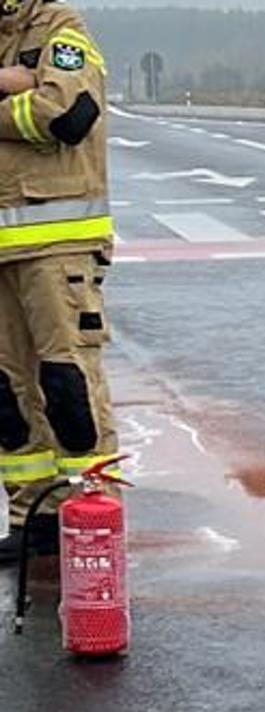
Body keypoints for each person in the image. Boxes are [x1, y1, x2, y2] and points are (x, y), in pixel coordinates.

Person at [0, 0, 116, 566]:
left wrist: (20, 90)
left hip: (57, 243)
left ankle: (95, 512)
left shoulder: (61, 29)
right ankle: (34, 519)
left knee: (67, 384)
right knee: (7, 394)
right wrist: (13, 83)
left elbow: (65, 113)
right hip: (3, 251)